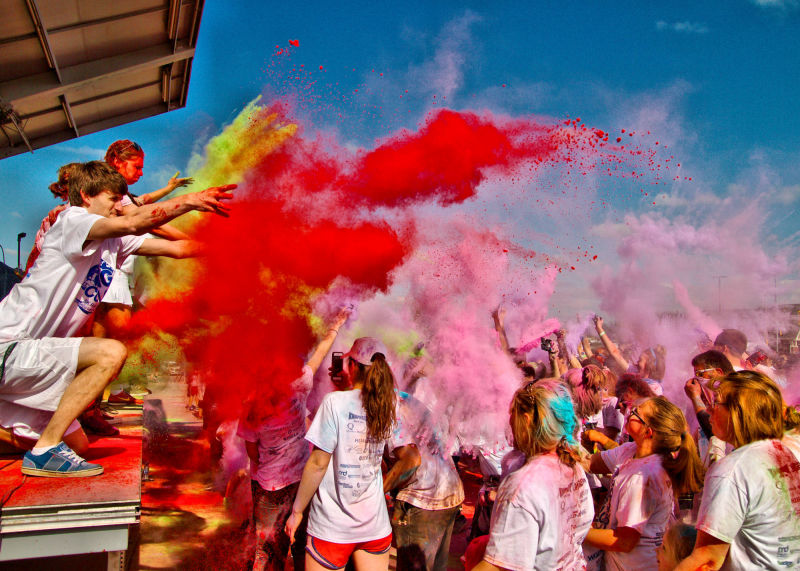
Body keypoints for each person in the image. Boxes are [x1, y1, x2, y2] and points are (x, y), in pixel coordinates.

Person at [0, 160, 234, 477]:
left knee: (78, 445)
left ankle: (42, 442)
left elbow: (178, 249)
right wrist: (191, 200)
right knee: (110, 352)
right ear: (86, 196)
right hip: (10, 345)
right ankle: (44, 451)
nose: (119, 207)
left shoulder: (113, 242)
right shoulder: (73, 220)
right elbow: (133, 223)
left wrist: (229, 246)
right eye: (113, 199)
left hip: (33, 354)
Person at [284, 337, 419, 571]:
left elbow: (318, 463)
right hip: (374, 527)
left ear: (353, 366)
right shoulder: (390, 403)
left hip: (332, 529)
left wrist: (296, 512)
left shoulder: (334, 402)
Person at [238, 310, 350, 571]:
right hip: (302, 483)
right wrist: (335, 326)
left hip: (269, 487)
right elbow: (319, 354)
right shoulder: (299, 384)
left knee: (267, 549)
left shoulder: (252, 404)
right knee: (301, 544)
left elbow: (252, 452)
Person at [676, 371, 800, 570]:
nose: (709, 409)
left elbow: (707, 560)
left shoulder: (732, 470)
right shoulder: (788, 453)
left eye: (716, 402)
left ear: (738, 412)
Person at [471, 380, 594, 570]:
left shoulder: (522, 485)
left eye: (512, 414)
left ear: (527, 420)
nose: (509, 422)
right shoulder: (573, 465)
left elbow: (498, 567)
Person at [583, 396, 705, 570]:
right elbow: (591, 463)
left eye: (636, 413)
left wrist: (579, 531)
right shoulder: (631, 450)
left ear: (648, 432)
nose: (629, 413)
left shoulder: (642, 477)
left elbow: (624, 541)